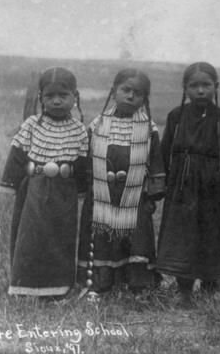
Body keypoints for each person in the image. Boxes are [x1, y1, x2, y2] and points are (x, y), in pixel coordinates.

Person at [156, 62, 220, 295]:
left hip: (212, 189)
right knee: (182, 234)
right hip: (181, 188)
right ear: (184, 88)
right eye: (194, 85)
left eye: (206, 85)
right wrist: (158, 183)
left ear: (216, 87)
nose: (200, 91)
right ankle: (184, 287)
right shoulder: (176, 117)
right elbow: (164, 152)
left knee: (212, 234)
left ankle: (210, 285)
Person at [0, 67, 88, 298]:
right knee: (31, 236)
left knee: (61, 236)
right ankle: (25, 285)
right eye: (50, 96)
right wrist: (9, 184)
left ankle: (58, 287)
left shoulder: (79, 130)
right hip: (34, 191)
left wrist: (82, 191)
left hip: (64, 192)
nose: (56, 101)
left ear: (75, 97)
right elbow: (17, 155)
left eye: (63, 95)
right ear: (41, 98)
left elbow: (81, 163)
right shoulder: (31, 125)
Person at [77, 68, 165, 299]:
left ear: (145, 98)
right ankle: (100, 283)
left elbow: (155, 161)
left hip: (134, 195)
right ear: (114, 91)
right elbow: (87, 159)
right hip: (101, 194)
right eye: (125, 90)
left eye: (138, 93)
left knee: (136, 239)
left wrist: (153, 194)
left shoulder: (148, 129)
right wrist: (87, 188)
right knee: (102, 237)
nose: (130, 96)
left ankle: (138, 284)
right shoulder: (97, 125)